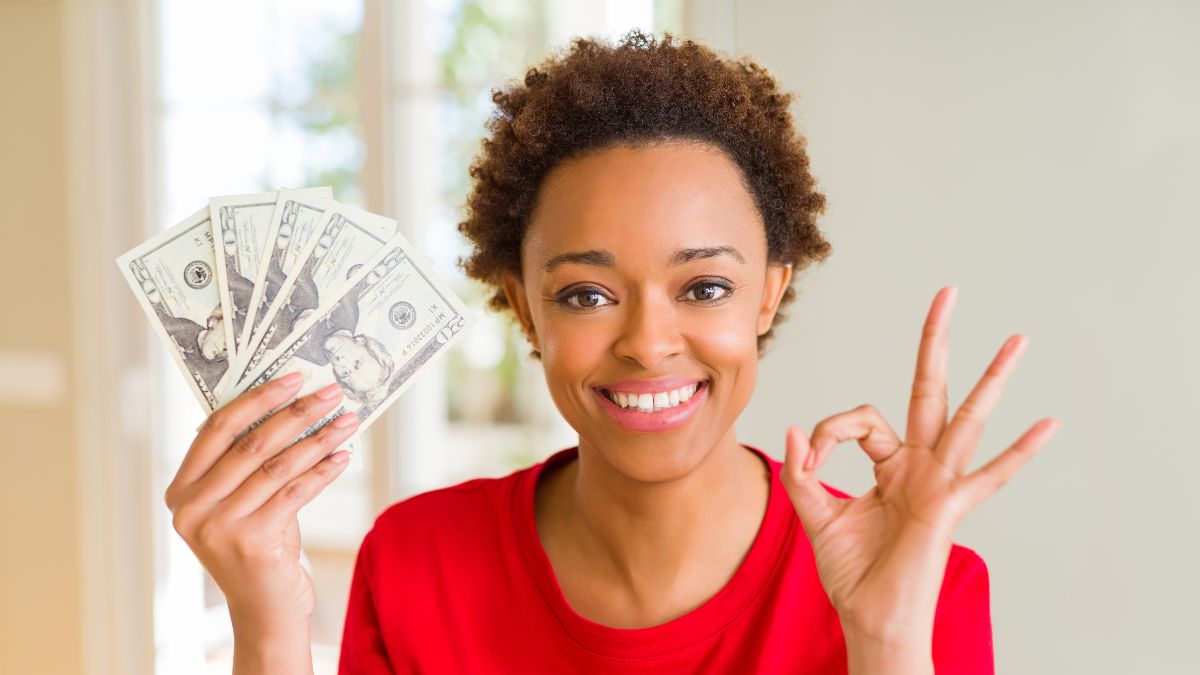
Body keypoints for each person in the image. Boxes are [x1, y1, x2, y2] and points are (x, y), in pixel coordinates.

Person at [162, 31, 1059, 674]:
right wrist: (268, 625)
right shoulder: (416, 559)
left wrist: (887, 639)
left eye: (704, 286)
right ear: (522, 305)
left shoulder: (918, 577)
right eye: (586, 294)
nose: (647, 342)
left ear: (769, 294)